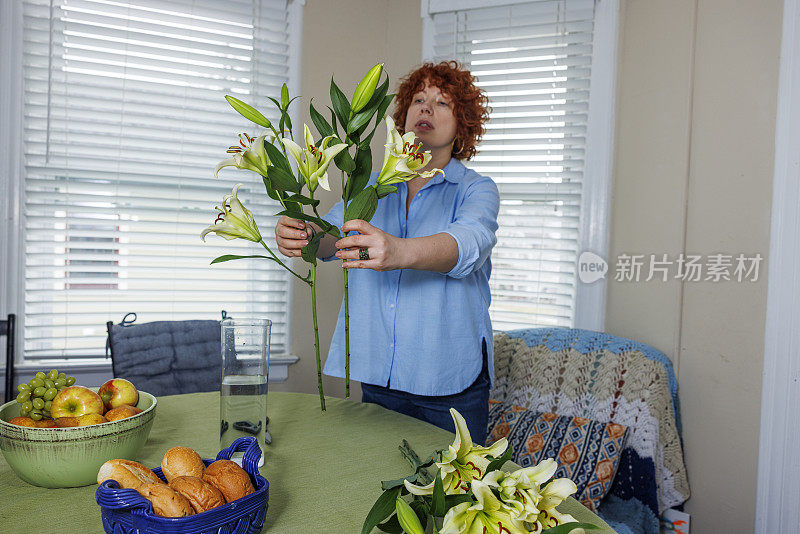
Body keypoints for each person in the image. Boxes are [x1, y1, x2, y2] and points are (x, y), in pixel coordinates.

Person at [274, 61, 498, 444]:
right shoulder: (369, 186)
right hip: (380, 375)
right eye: (419, 99)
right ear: (404, 115)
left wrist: (397, 250)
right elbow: (332, 237)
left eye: (442, 103)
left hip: (450, 381)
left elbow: (468, 244)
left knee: (454, 498)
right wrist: (304, 232)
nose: (426, 108)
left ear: (463, 125)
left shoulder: (476, 189)